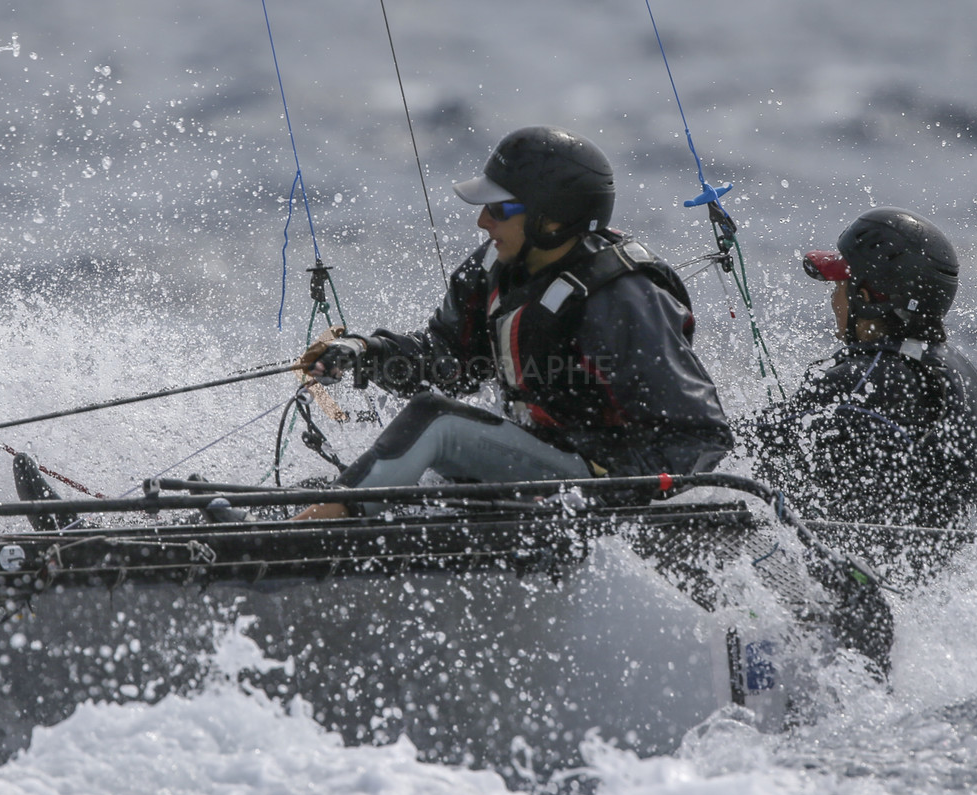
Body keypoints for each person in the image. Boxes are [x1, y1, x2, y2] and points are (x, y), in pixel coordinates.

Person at [297, 126, 733, 519]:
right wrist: (367, 352)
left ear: (553, 219)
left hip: (595, 489)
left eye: (499, 209)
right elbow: (448, 362)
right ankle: (328, 511)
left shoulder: (621, 299)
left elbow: (698, 436)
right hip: (540, 466)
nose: (482, 220)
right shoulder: (495, 267)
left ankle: (313, 528)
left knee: (437, 422)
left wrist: (595, 500)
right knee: (402, 441)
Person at [746, 208, 977, 531]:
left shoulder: (867, 379)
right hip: (932, 556)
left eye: (839, 287)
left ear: (866, 298)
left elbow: (745, 444)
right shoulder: (960, 374)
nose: (833, 299)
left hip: (851, 557)